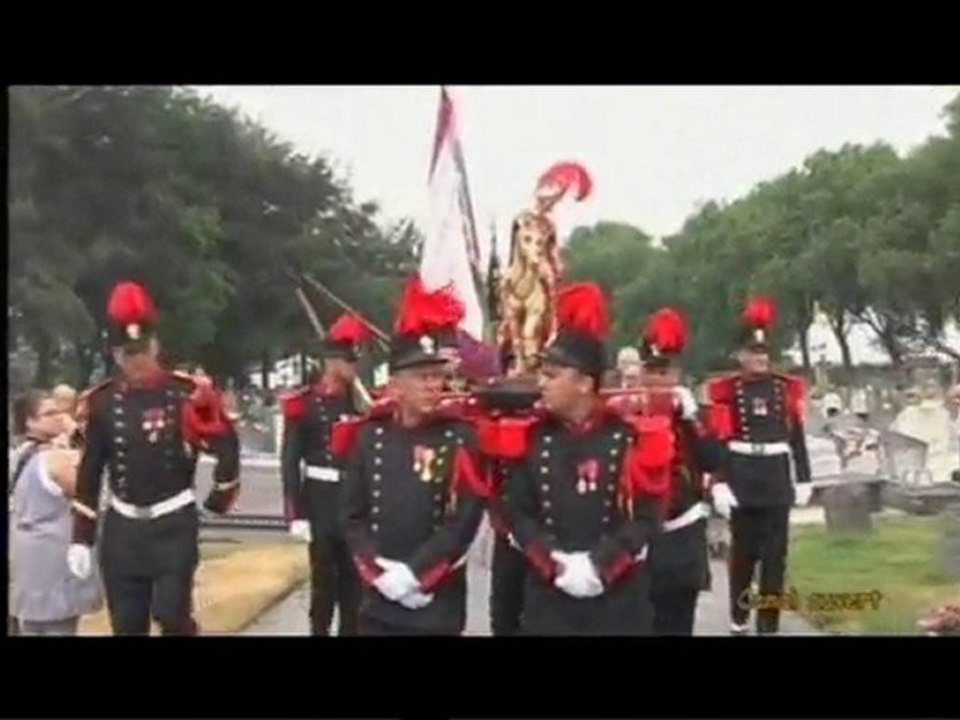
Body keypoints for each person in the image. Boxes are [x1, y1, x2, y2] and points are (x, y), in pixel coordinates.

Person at [496, 283, 674, 635]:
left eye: (552, 375)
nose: (541, 384)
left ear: (584, 383)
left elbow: (648, 514)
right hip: (550, 601)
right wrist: (556, 565)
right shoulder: (531, 437)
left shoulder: (628, 437)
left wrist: (600, 567)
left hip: (618, 601)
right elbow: (517, 512)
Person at [68, 281, 240, 636]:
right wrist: (81, 536)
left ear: (155, 347)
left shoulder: (185, 394)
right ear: (117, 356)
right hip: (123, 528)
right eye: (128, 354)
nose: (138, 361)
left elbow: (225, 443)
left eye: (143, 351)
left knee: (172, 615)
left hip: (172, 524)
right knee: (127, 624)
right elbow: (90, 471)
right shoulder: (102, 403)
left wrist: (220, 495)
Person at [336, 275, 487, 635]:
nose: (433, 385)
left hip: (436, 597)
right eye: (422, 377)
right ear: (395, 385)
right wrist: (379, 573)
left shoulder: (459, 437)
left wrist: (416, 574)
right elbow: (352, 514)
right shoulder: (370, 436)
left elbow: (463, 520)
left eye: (437, 376)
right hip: (379, 595)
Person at [706, 297, 812, 635]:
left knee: (775, 558)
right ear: (740, 355)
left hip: (775, 477)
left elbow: (796, 436)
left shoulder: (784, 389)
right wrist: (719, 481)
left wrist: (804, 478)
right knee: (744, 555)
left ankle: (769, 624)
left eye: (764, 352)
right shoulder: (729, 391)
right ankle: (739, 617)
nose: (760, 358)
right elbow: (720, 438)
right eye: (753, 352)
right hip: (743, 475)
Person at [280, 313, 370, 636]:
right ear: (332, 361)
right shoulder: (305, 403)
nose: (353, 368)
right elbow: (290, 460)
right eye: (348, 361)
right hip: (319, 500)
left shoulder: (360, 401)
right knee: (323, 585)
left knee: (353, 587)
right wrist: (296, 513)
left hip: (352, 500)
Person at [635, 308, 721, 635]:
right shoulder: (625, 417)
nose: (659, 381)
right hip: (640, 539)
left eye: (665, 372)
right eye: (651, 371)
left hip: (683, 533)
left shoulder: (693, 416)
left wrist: (692, 417)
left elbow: (713, 459)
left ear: (677, 374)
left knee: (679, 623)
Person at [10, 390, 103, 635]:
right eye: (50, 413)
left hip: (25, 550)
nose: (60, 417)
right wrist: (78, 436)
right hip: (53, 553)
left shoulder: (19, 454)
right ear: (30, 422)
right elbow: (90, 488)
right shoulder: (55, 459)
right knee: (57, 626)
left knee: (31, 625)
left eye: (60, 411)